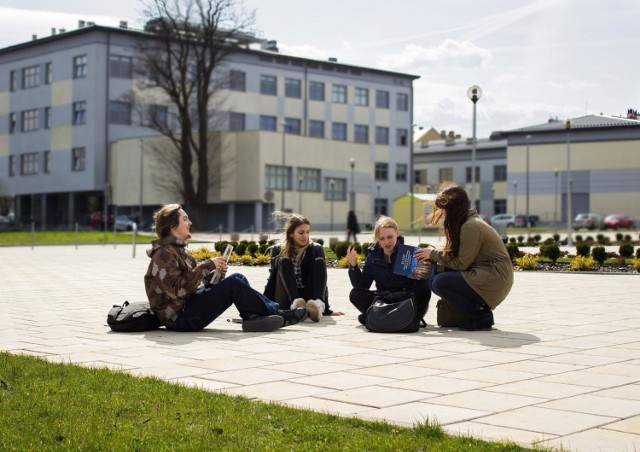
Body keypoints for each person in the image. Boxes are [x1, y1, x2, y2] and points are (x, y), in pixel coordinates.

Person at [144, 204, 306, 332]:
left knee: (238, 279)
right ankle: (281, 315)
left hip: (187, 307)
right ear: (173, 226)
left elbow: (192, 286)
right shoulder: (163, 255)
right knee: (234, 283)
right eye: (185, 219)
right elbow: (177, 291)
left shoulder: (180, 251)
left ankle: (252, 317)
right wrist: (207, 266)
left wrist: (215, 276)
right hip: (179, 319)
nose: (190, 223)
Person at [414, 183, 514, 330]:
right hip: (488, 275)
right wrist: (433, 254)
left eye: (444, 211)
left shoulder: (470, 227)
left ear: (453, 209)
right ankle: (474, 312)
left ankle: (479, 313)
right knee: (435, 272)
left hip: (494, 278)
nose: (442, 215)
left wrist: (433, 254)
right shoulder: (467, 223)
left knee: (439, 282)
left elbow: (461, 264)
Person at [346, 216, 430, 325]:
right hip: (383, 298)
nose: (386, 242)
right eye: (382, 239)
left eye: (390, 237)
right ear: (377, 239)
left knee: (425, 289)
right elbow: (362, 286)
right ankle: (393, 317)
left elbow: (422, 285)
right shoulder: (373, 255)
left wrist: (418, 272)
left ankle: (377, 317)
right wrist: (353, 266)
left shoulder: (409, 253)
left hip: (404, 299)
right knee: (355, 294)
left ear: (397, 233)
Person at [264, 211, 344, 321]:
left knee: (319, 262)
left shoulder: (316, 249)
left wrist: (327, 310)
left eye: (308, 232)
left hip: (308, 299)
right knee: (284, 261)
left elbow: (321, 281)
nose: (305, 236)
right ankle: (295, 303)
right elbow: (272, 280)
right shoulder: (278, 250)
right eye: (301, 233)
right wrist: (265, 306)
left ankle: (318, 306)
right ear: (291, 233)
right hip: (286, 298)